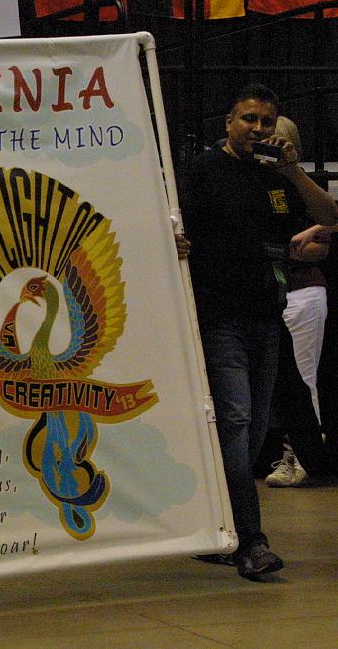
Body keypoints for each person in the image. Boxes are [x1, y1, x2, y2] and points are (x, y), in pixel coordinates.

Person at [181, 83, 338, 580]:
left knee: (247, 437)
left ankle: (219, 527)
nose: (258, 129)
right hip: (218, 315)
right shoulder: (202, 171)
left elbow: (327, 220)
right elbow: (170, 224)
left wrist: (294, 172)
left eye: (266, 122)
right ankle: (252, 541)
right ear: (228, 121)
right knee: (236, 419)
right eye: (248, 119)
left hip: (268, 316)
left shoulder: (275, 178)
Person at [258, 117, 335, 487]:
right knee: (267, 384)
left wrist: (296, 244)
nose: (266, 141)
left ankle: (301, 457)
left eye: (277, 139)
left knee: (302, 380)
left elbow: (320, 245)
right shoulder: (249, 181)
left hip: (301, 292)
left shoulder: (301, 187)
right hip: (267, 295)